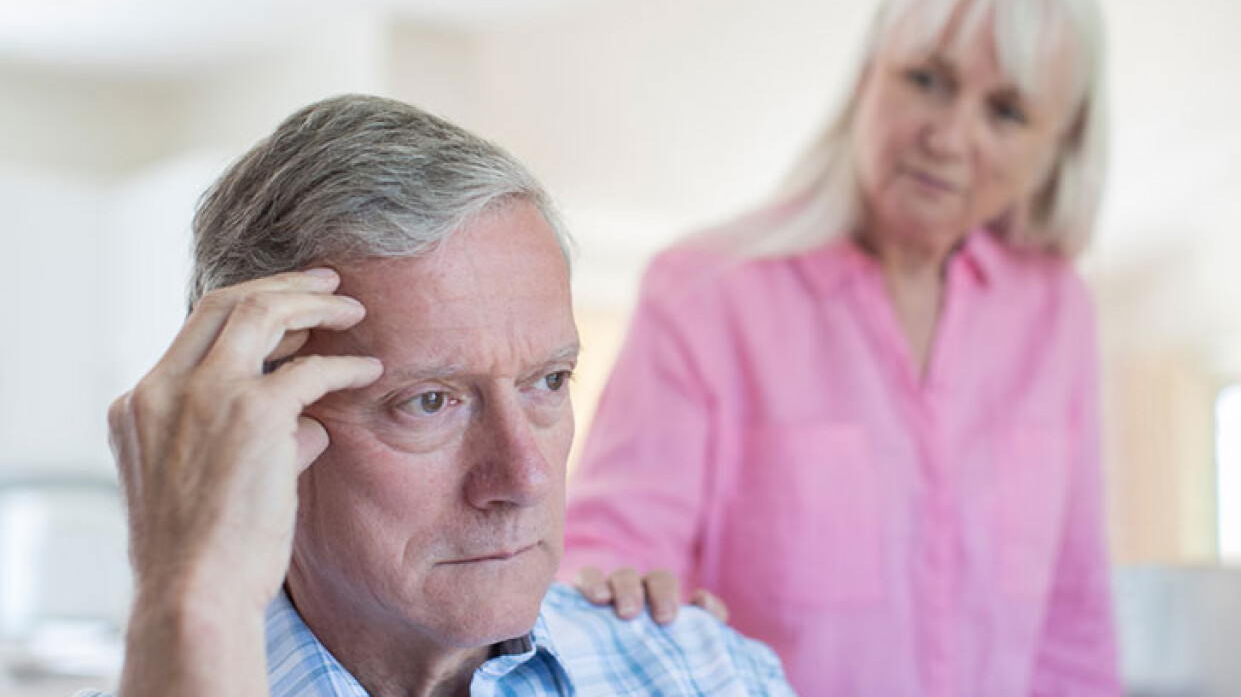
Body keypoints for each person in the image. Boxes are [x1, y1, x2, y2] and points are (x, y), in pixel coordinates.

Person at [88, 95, 794, 697]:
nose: (525, 478)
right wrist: (192, 601)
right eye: (429, 402)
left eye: (548, 381)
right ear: (252, 428)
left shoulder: (706, 674)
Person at [561, 0, 1122, 694]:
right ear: (869, 74)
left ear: (1054, 149)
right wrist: (616, 587)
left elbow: (1074, 622)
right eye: (927, 79)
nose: (948, 138)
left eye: (1007, 112)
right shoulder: (702, 292)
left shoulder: (1057, 311)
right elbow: (610, 561)